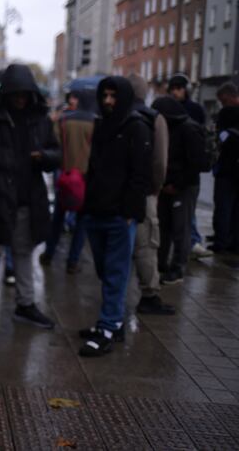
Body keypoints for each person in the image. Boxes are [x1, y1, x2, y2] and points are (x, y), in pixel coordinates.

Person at [0, 63, 60, 330]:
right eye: (16, 93)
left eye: (25, 93)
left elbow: (56, 154)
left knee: (24, 253)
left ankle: (26, 303)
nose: (21, 99)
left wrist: (44, 157)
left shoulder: (40, 120)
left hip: (27, 200)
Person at [79, 76, 151, 357]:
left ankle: (108, 327)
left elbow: (141, 174)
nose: (108, 101)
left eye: (113, 96)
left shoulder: (137, 128)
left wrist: (131, 213)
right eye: (104, 95)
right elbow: (94, 169)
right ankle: (114, 322)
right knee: (104, 270)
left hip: (121, 217)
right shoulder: (101, 125)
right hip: (97, 211)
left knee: (115, 274)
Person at [127, 74, 175, 315]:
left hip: (119, 193)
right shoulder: (154, 119)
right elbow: (160, 161)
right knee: (146, 244)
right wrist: (156, 187)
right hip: (145, 192)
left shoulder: (117, 116)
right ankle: (149, 294)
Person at [40, 84, 96, 275]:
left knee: (58, 218)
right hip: (86, 179)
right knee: (81, 223)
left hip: (65, 176)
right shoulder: (95, 122)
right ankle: (72, 261)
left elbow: (55, 144)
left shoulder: (63, 120)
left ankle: (48, 253)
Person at [152, 96, 208, 284]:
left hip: (182, 187)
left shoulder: (188, 129)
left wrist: (176, 184)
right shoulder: (176, 127)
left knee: (180, 228)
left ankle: (177, 268)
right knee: (166, 227)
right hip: (171, 185)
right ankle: (163, 264)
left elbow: (196, 163)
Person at [167, 74, 211, 259]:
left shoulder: (195, 109)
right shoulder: (169, 108)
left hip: (189, 166)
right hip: (174, 165)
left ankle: (191, 241)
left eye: (179, 88)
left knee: (187, 208)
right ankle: (189, 242)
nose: (176, 92)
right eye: (173, 88)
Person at [210, 82, 239, 254]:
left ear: (228, 97)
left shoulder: (227, 113)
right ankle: (235, 243)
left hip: (227, 169)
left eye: (221, 100)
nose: (221, 103)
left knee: (223, 205)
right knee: (236, 209)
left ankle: (221, 241)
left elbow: (220, 140)